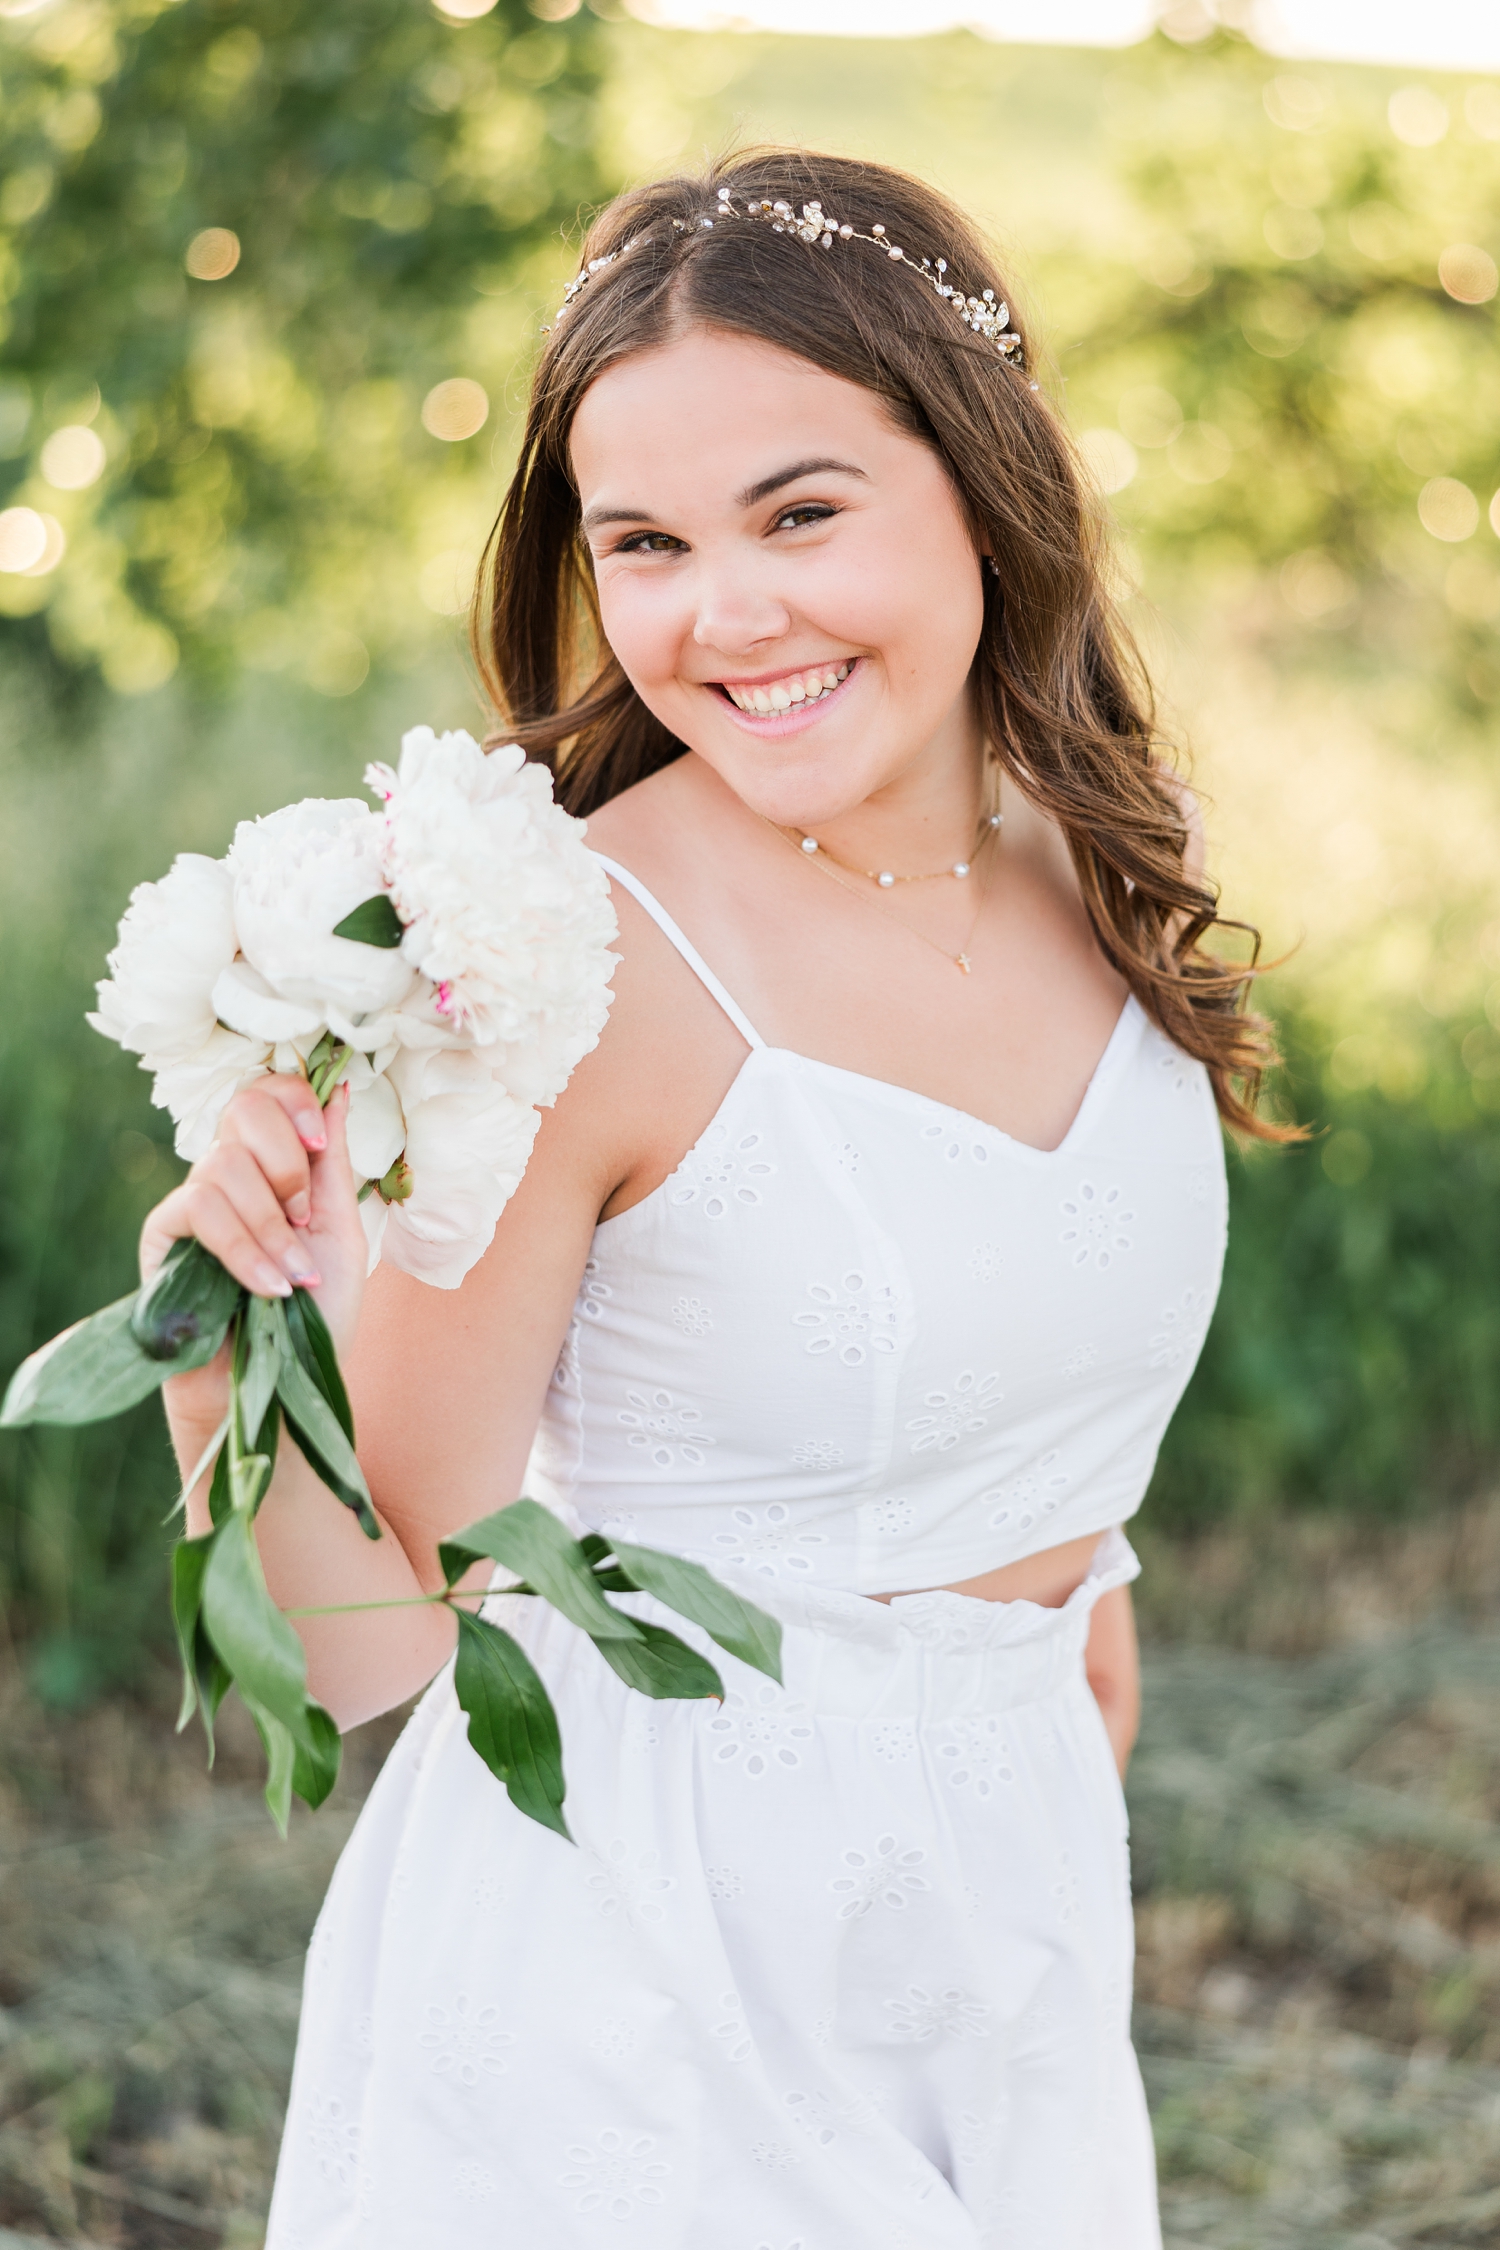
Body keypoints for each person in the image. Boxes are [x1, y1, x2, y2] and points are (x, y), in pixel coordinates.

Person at [144, 149, 1284, 2249]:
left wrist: (1062, 1729)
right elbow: (366, 1638)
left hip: (1002, 1942)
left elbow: (1046, 1454)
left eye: (802, 513)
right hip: (640, 1987)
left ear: (982, 478)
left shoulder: (1108, 853)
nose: (723, 618)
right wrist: (233, 1352)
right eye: (646, 543)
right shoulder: (571, 976)